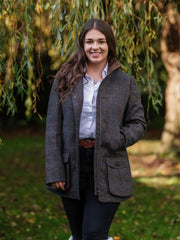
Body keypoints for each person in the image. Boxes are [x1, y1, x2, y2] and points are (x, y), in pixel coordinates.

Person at [45, 18, 146, 240]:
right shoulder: (65, 78)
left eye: (101, 41)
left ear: (109, 44)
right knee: (79, 235)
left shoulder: (125, 82)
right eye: (89, 41)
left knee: (93, 234)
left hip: (108, 166)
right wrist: (55, 171)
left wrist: (118, 138)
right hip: (72, 166)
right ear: (82, 44)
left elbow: (138, 123)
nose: (95, 47)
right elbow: (53, 128)